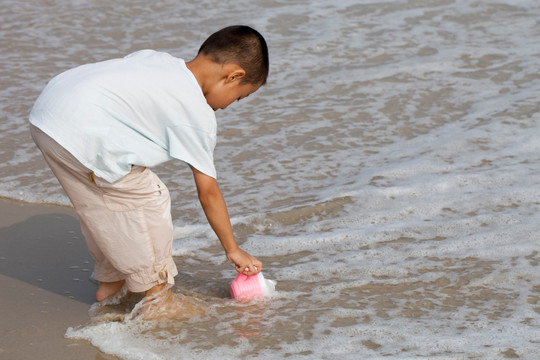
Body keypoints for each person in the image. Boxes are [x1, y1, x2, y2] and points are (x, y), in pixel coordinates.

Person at [29, 25, 267, 309]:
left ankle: (112, 283)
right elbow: (209, 193)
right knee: (147, 197)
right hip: (80, 133)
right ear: (234, 75)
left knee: (101, 202)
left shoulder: (158, 59)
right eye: (239, 97)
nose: (229, 107)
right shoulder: (196, 115)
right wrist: (233, 249)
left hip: (49, 115)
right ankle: (157, 296)